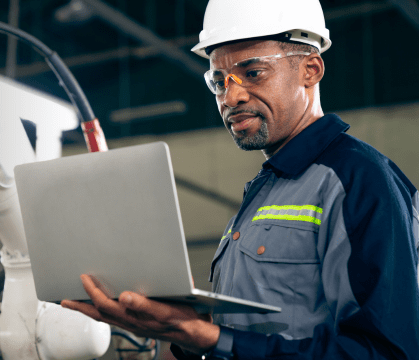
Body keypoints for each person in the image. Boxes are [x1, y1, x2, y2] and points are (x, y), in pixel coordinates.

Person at [61, 0, 419, 359]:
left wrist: (213, 339)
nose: (231, 97)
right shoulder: (267, 190)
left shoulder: (359, 179)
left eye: (253, 73)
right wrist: (181, 333)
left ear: (310, 70)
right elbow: (238, 336)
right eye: (219, 80)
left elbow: (388, 352)